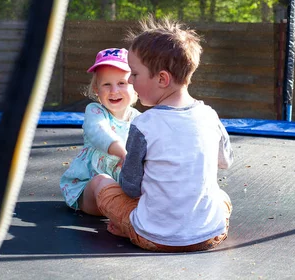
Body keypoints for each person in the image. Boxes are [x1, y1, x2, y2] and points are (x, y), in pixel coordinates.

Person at [84, 17, 234, 252]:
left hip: (153, 236)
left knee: (99, 182)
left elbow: (131, 188)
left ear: (162, 79)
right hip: (211, 233)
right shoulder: (209, 115)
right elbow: (225, 161)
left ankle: (128, 227)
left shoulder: (144, 125)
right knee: (221, 196)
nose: (131, 82)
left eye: (134, 75)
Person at [60, 48, 140, 212]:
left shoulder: (140, 120)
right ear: (96, 89)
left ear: (135, 87)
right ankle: (125, 217)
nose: (114, 91)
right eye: (106, 84)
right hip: (89, 188)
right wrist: (124, 153)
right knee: (101, 181)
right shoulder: (95, 112)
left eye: (121, 83)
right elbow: (100, 132)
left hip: (126, 188)